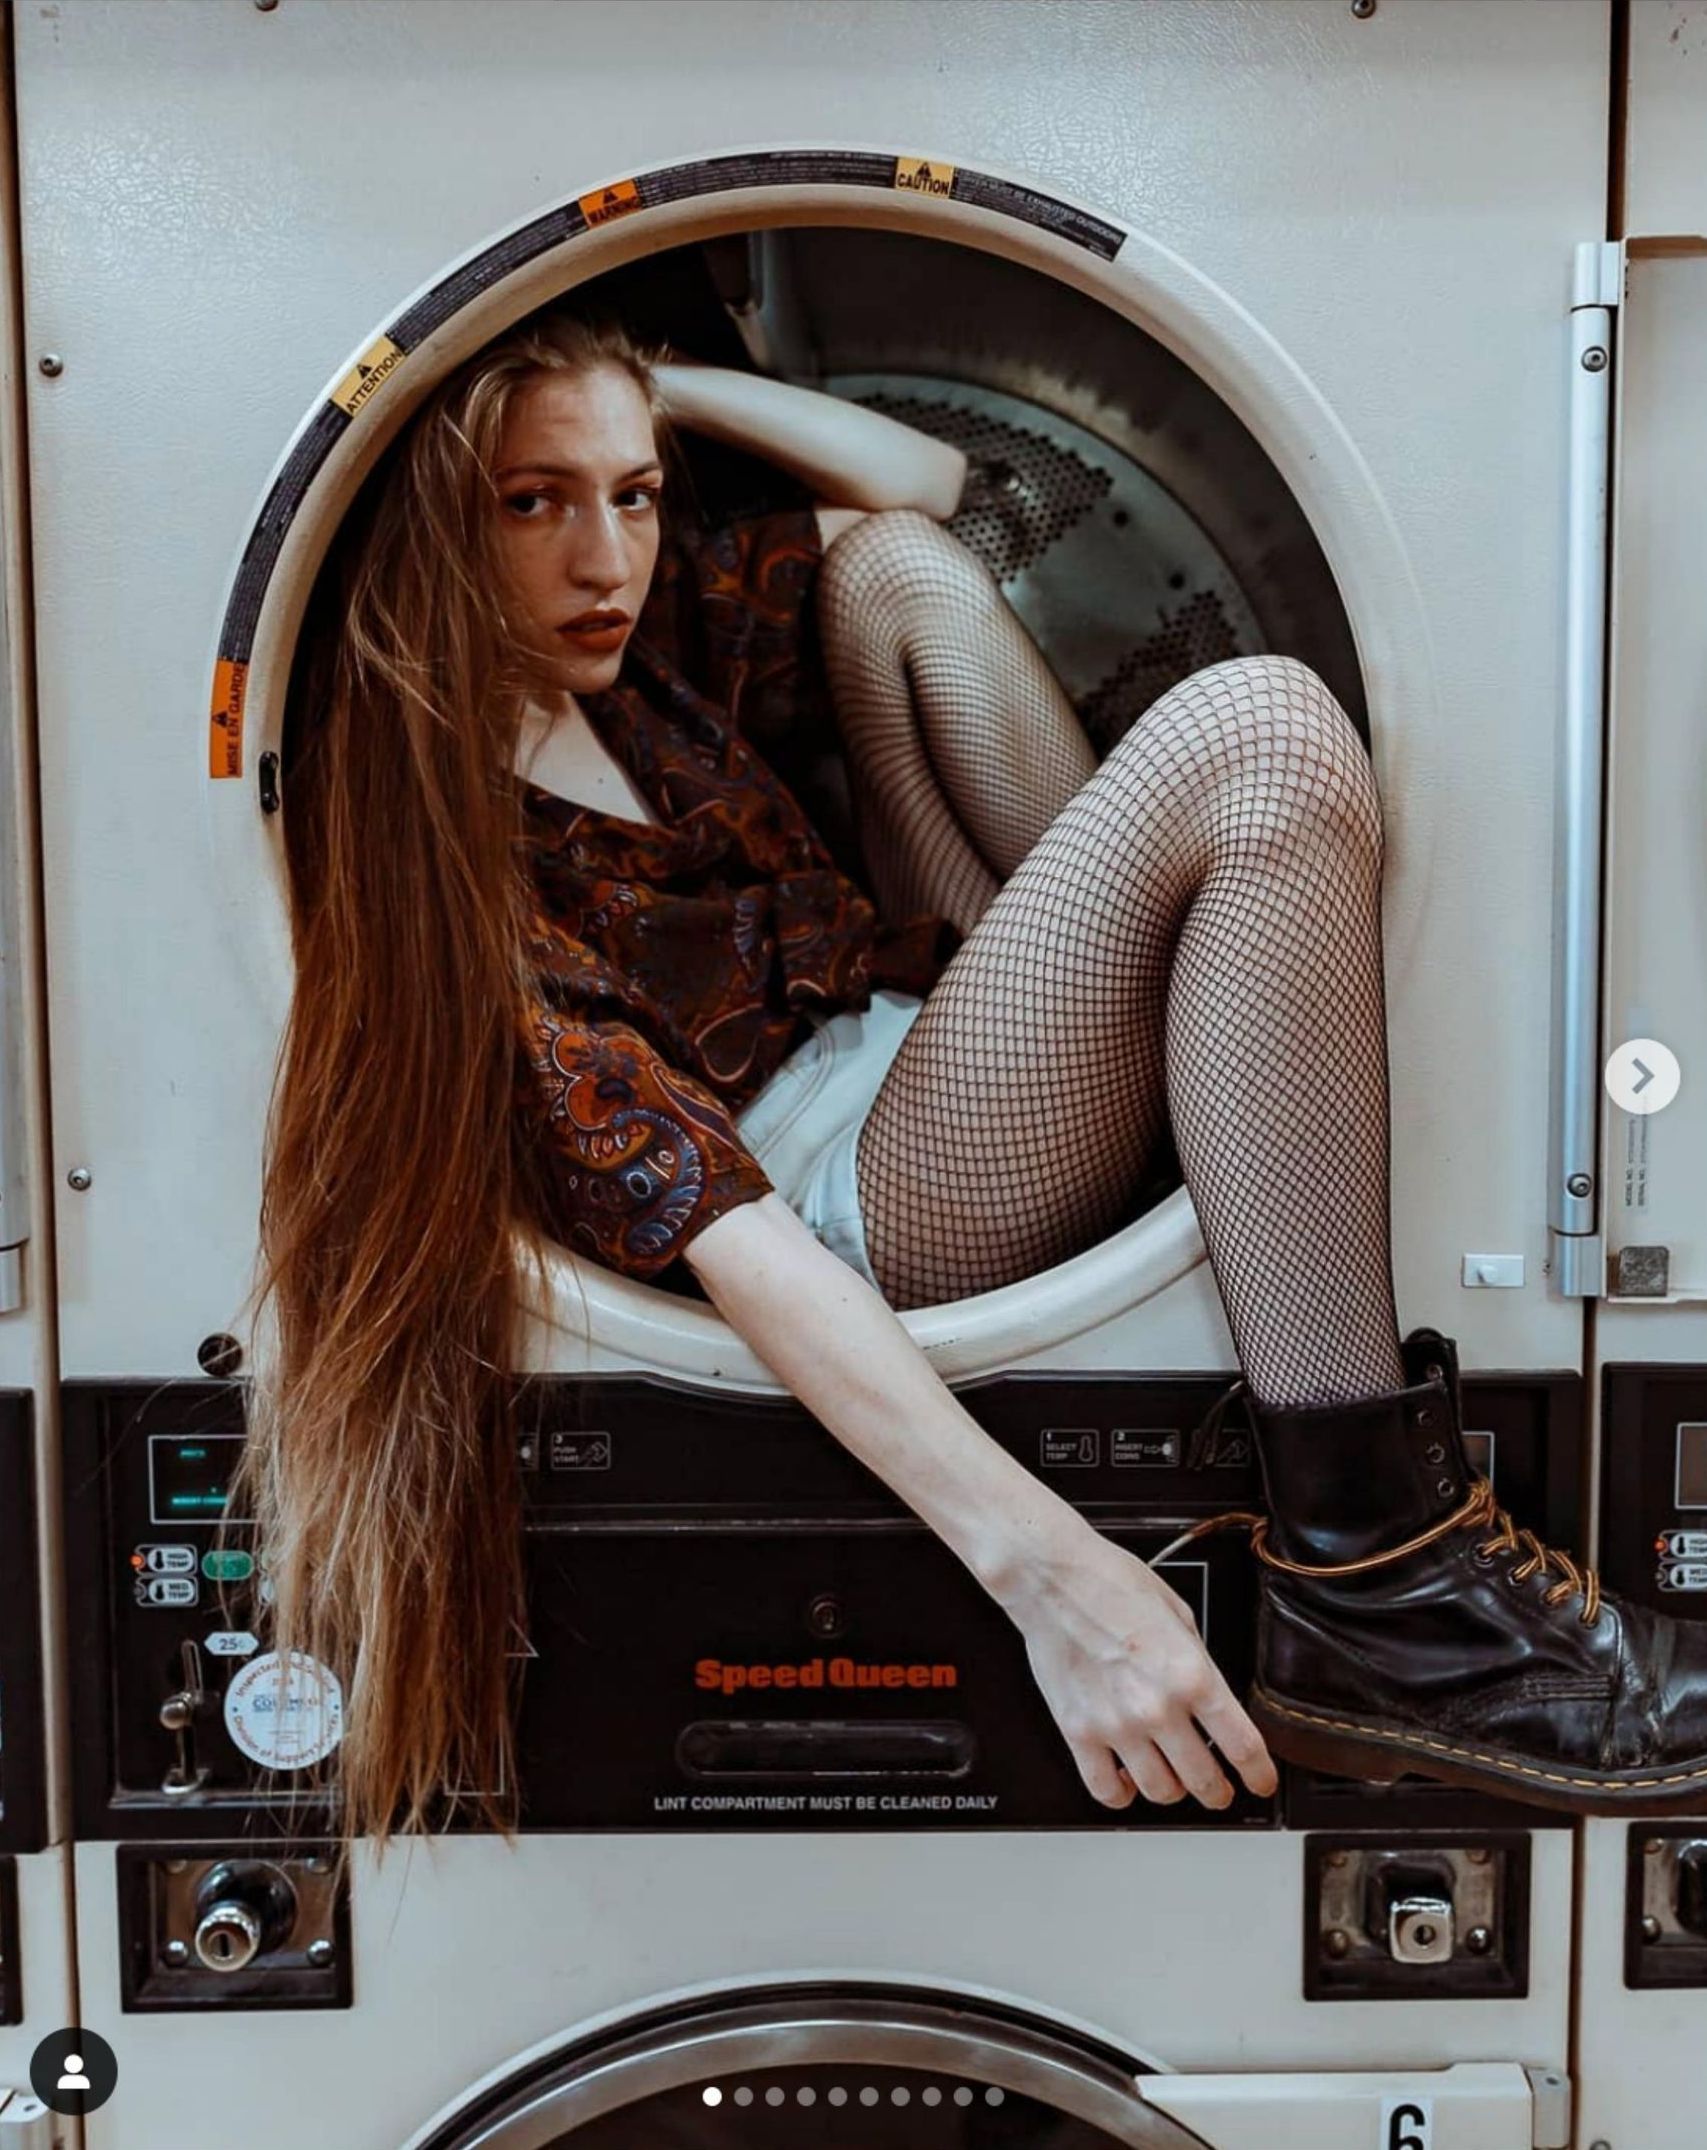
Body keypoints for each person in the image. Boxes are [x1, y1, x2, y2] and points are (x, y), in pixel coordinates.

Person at [232, 304, 1707, 1883]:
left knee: (892, 572)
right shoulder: (436, 855)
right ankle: (1377, 1574)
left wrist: (647, 389)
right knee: (1257, 730)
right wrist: (1055, 1576)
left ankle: (1199, 1009)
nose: (608, 557)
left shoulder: (631, 658)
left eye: (637, 491)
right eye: (534, 501)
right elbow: (740, 1246)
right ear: (426, 514)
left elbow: (921, 486)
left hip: (915, 1026)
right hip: (865, 1196)